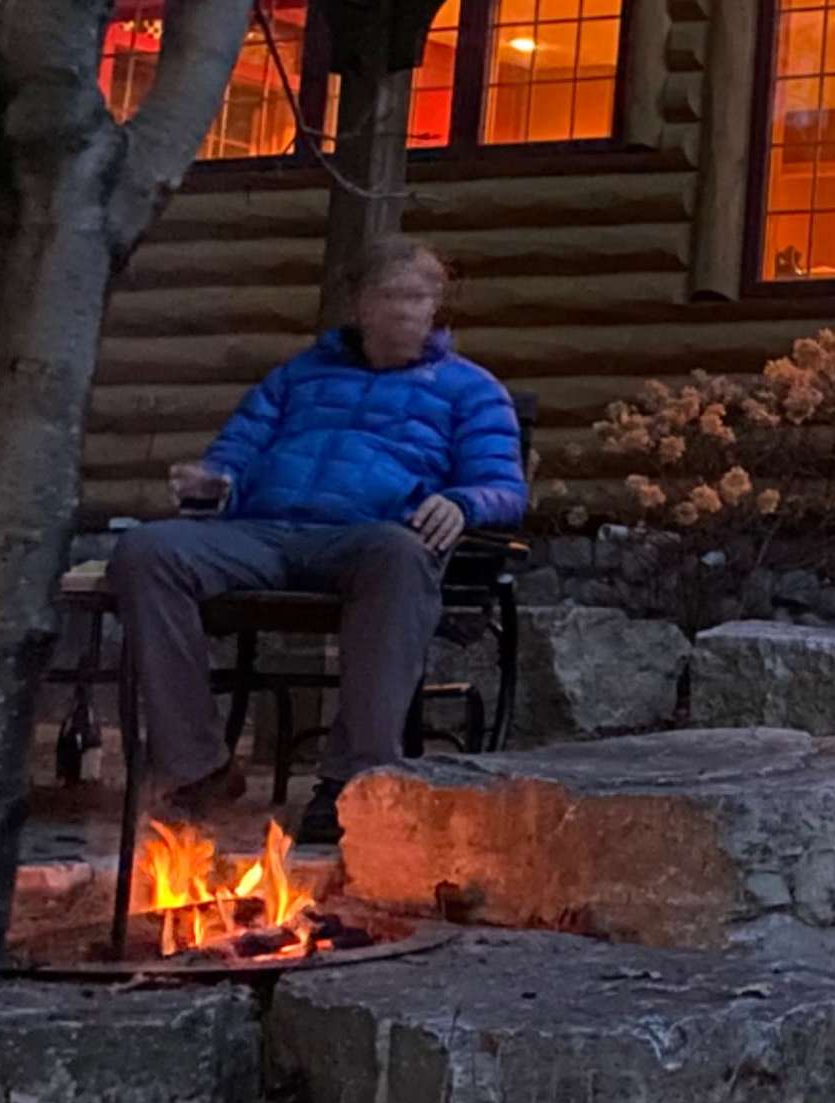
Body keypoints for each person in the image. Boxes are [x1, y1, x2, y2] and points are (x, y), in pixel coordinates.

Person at [107, 238, 524, 843]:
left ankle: (352, 782)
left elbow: (504, 488)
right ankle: (198, 767)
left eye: (421, 298)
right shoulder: (296, 378)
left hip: (364, 544)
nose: (408, 311)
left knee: (402, 555)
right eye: (392, 296)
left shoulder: (472, 390)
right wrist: (212, 481)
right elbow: (233, 460)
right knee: (147, 551)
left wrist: (464, 503)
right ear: (359, 303)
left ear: (437, 309)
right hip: (263, 534)